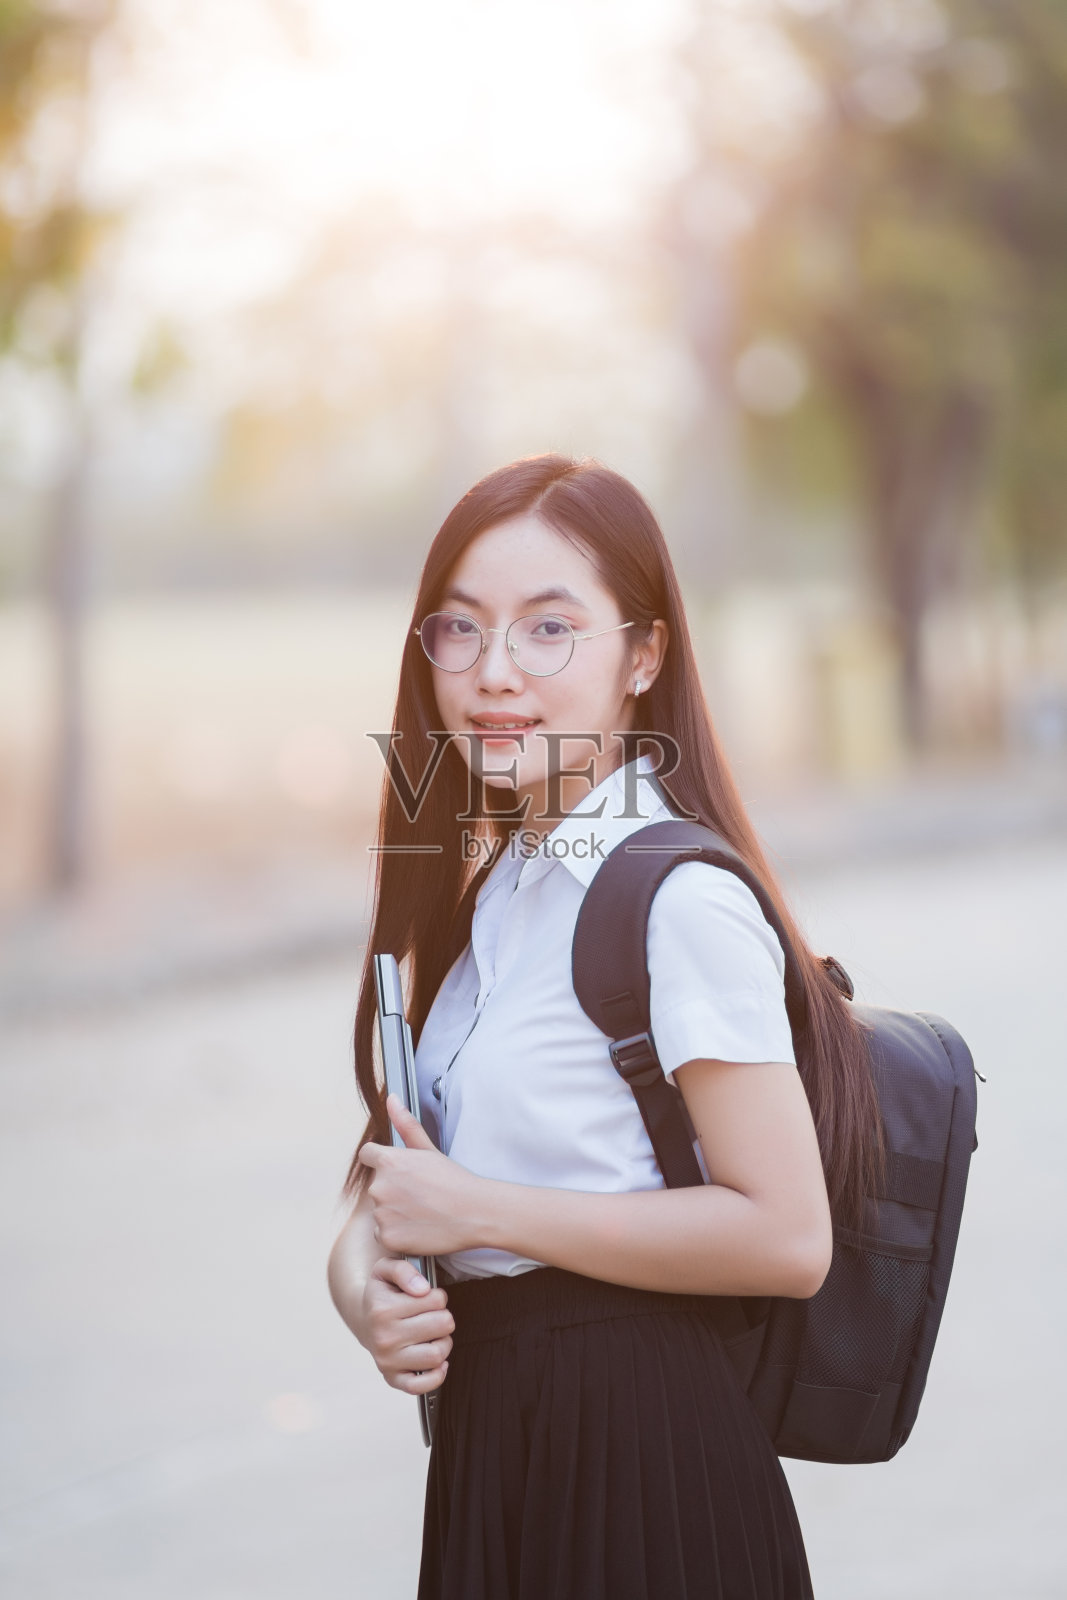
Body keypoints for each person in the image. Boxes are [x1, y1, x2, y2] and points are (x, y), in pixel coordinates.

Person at [327, 455, 883, 1600]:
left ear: (642, 654)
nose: (493, 675)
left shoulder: (674, 901)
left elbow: (785, 1235)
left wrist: (478, 1211)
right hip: (497, 1450)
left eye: (547, 630)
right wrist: (358, 1280)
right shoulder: (500, 889)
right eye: (460, 630)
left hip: (644, 1468)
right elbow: (408, 1174)